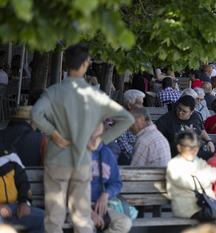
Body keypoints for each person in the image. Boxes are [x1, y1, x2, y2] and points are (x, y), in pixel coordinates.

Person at [30, 44, 134, 233]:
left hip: (57, 160)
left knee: (54, 220)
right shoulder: (95, 94)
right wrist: (101, 139)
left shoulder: (53, 92)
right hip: (83, 160)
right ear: (86, 63)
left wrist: (53, 133)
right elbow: (127, 118)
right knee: (82, 218)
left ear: (65, 62)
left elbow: (36, 114)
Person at [166, 131, 216, 233]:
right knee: (210, 223)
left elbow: (214, 175)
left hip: (206, 203)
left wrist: (197, 175)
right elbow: (186, 183)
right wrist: (203, 176)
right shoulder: (174, 164)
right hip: (186, 205)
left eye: (195, 147)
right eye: (188, 147)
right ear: (179, 147)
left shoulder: (198, 161)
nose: (192, 150)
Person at [90, 123, 132, 233]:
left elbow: (116, 183)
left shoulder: (106, 153)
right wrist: (90, 213)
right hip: (75, 206)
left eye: (98, 124)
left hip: (99, 205)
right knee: (87, 225)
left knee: (124, 223)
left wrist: (106, 194)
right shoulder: (72, 152)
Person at [0, 137, 45, 233]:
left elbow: (22, 181)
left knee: (45, 220)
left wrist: (24, 202)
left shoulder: (8, 150)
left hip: (14, 207)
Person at [116, 89, 145, 165]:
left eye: (142, 103)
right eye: (139, 103)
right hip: (130, 156)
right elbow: (123, 143)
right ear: (129, 105)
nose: (142, 107)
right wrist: (139, 153)